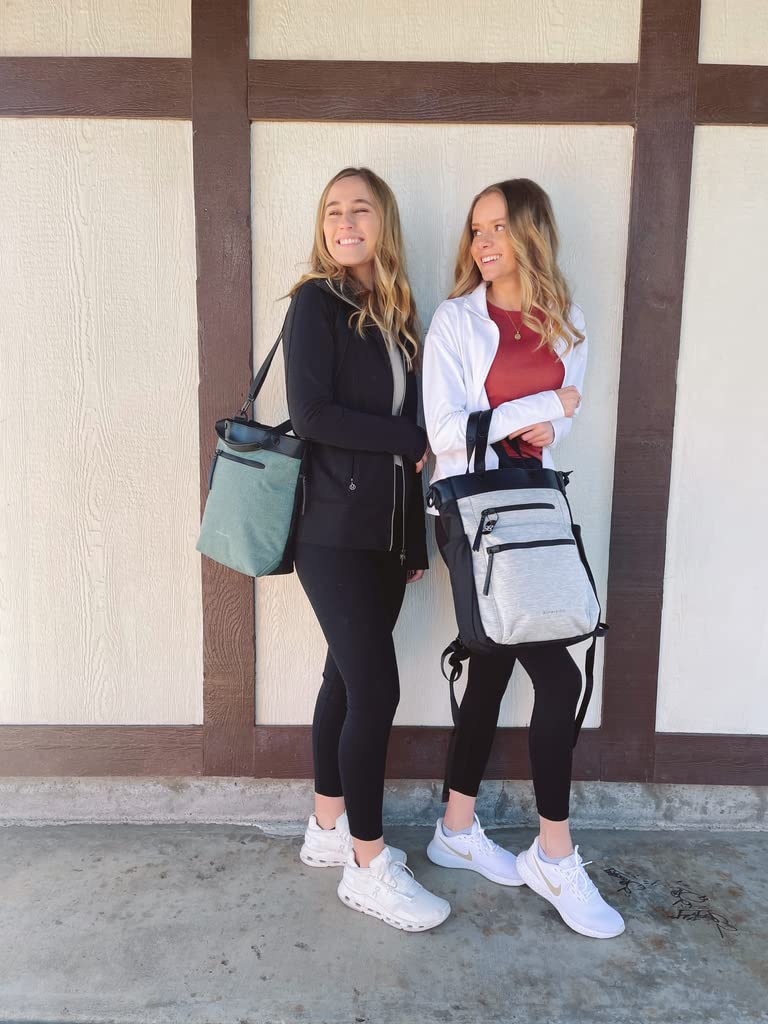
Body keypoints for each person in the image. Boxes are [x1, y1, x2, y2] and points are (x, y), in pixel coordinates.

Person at [421, 178, 624, 939]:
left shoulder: (566, 318)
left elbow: (562, 420)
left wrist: (548, 424)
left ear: (532, 232)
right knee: (559, 675)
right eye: (476, 229)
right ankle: (554, 854)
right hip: (471, 513)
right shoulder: (455, 320)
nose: (483, 243)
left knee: (493, 663)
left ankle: (456, 828)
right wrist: (542, 409)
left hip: (534, 506)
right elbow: (444, 431)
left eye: (499, 227)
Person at [283, 166, 450, 932]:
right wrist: (406, 438)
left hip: (384, 537)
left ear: (384, 223)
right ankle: (367, 865)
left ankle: (326, 828)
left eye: (360, 210)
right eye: (333, 211)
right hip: (331, 532)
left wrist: (411, 540)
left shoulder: (397, 315)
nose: (345, 223)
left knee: (345, 682)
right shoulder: (314, 304)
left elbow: (410, 459)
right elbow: (312, 415)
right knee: (375, 690)